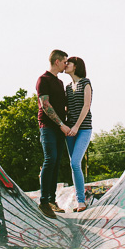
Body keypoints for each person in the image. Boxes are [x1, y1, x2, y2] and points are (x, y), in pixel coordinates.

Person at [35, 49, 71, 219]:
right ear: (57, 61)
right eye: (65, 61)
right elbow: (45, 105)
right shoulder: (43, 80)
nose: (66, 64)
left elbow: (61, 105)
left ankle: (52, 200)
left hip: (60, 129)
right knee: (50, 159)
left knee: (56, 162)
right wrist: (61, 124)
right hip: (48, 127)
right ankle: (43, 202)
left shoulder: (60, 83)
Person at [63, 56, 93, 212]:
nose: (65, 65)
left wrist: (76, 126)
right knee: (74, 166)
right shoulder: (68, 87)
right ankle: (79, 201)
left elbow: (86, 106)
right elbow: (67, 108)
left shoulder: (85, 83)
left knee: (75, 163)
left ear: (76, 66)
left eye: (69, 63)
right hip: (70, 130)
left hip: (83, 129)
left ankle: (81, 201)